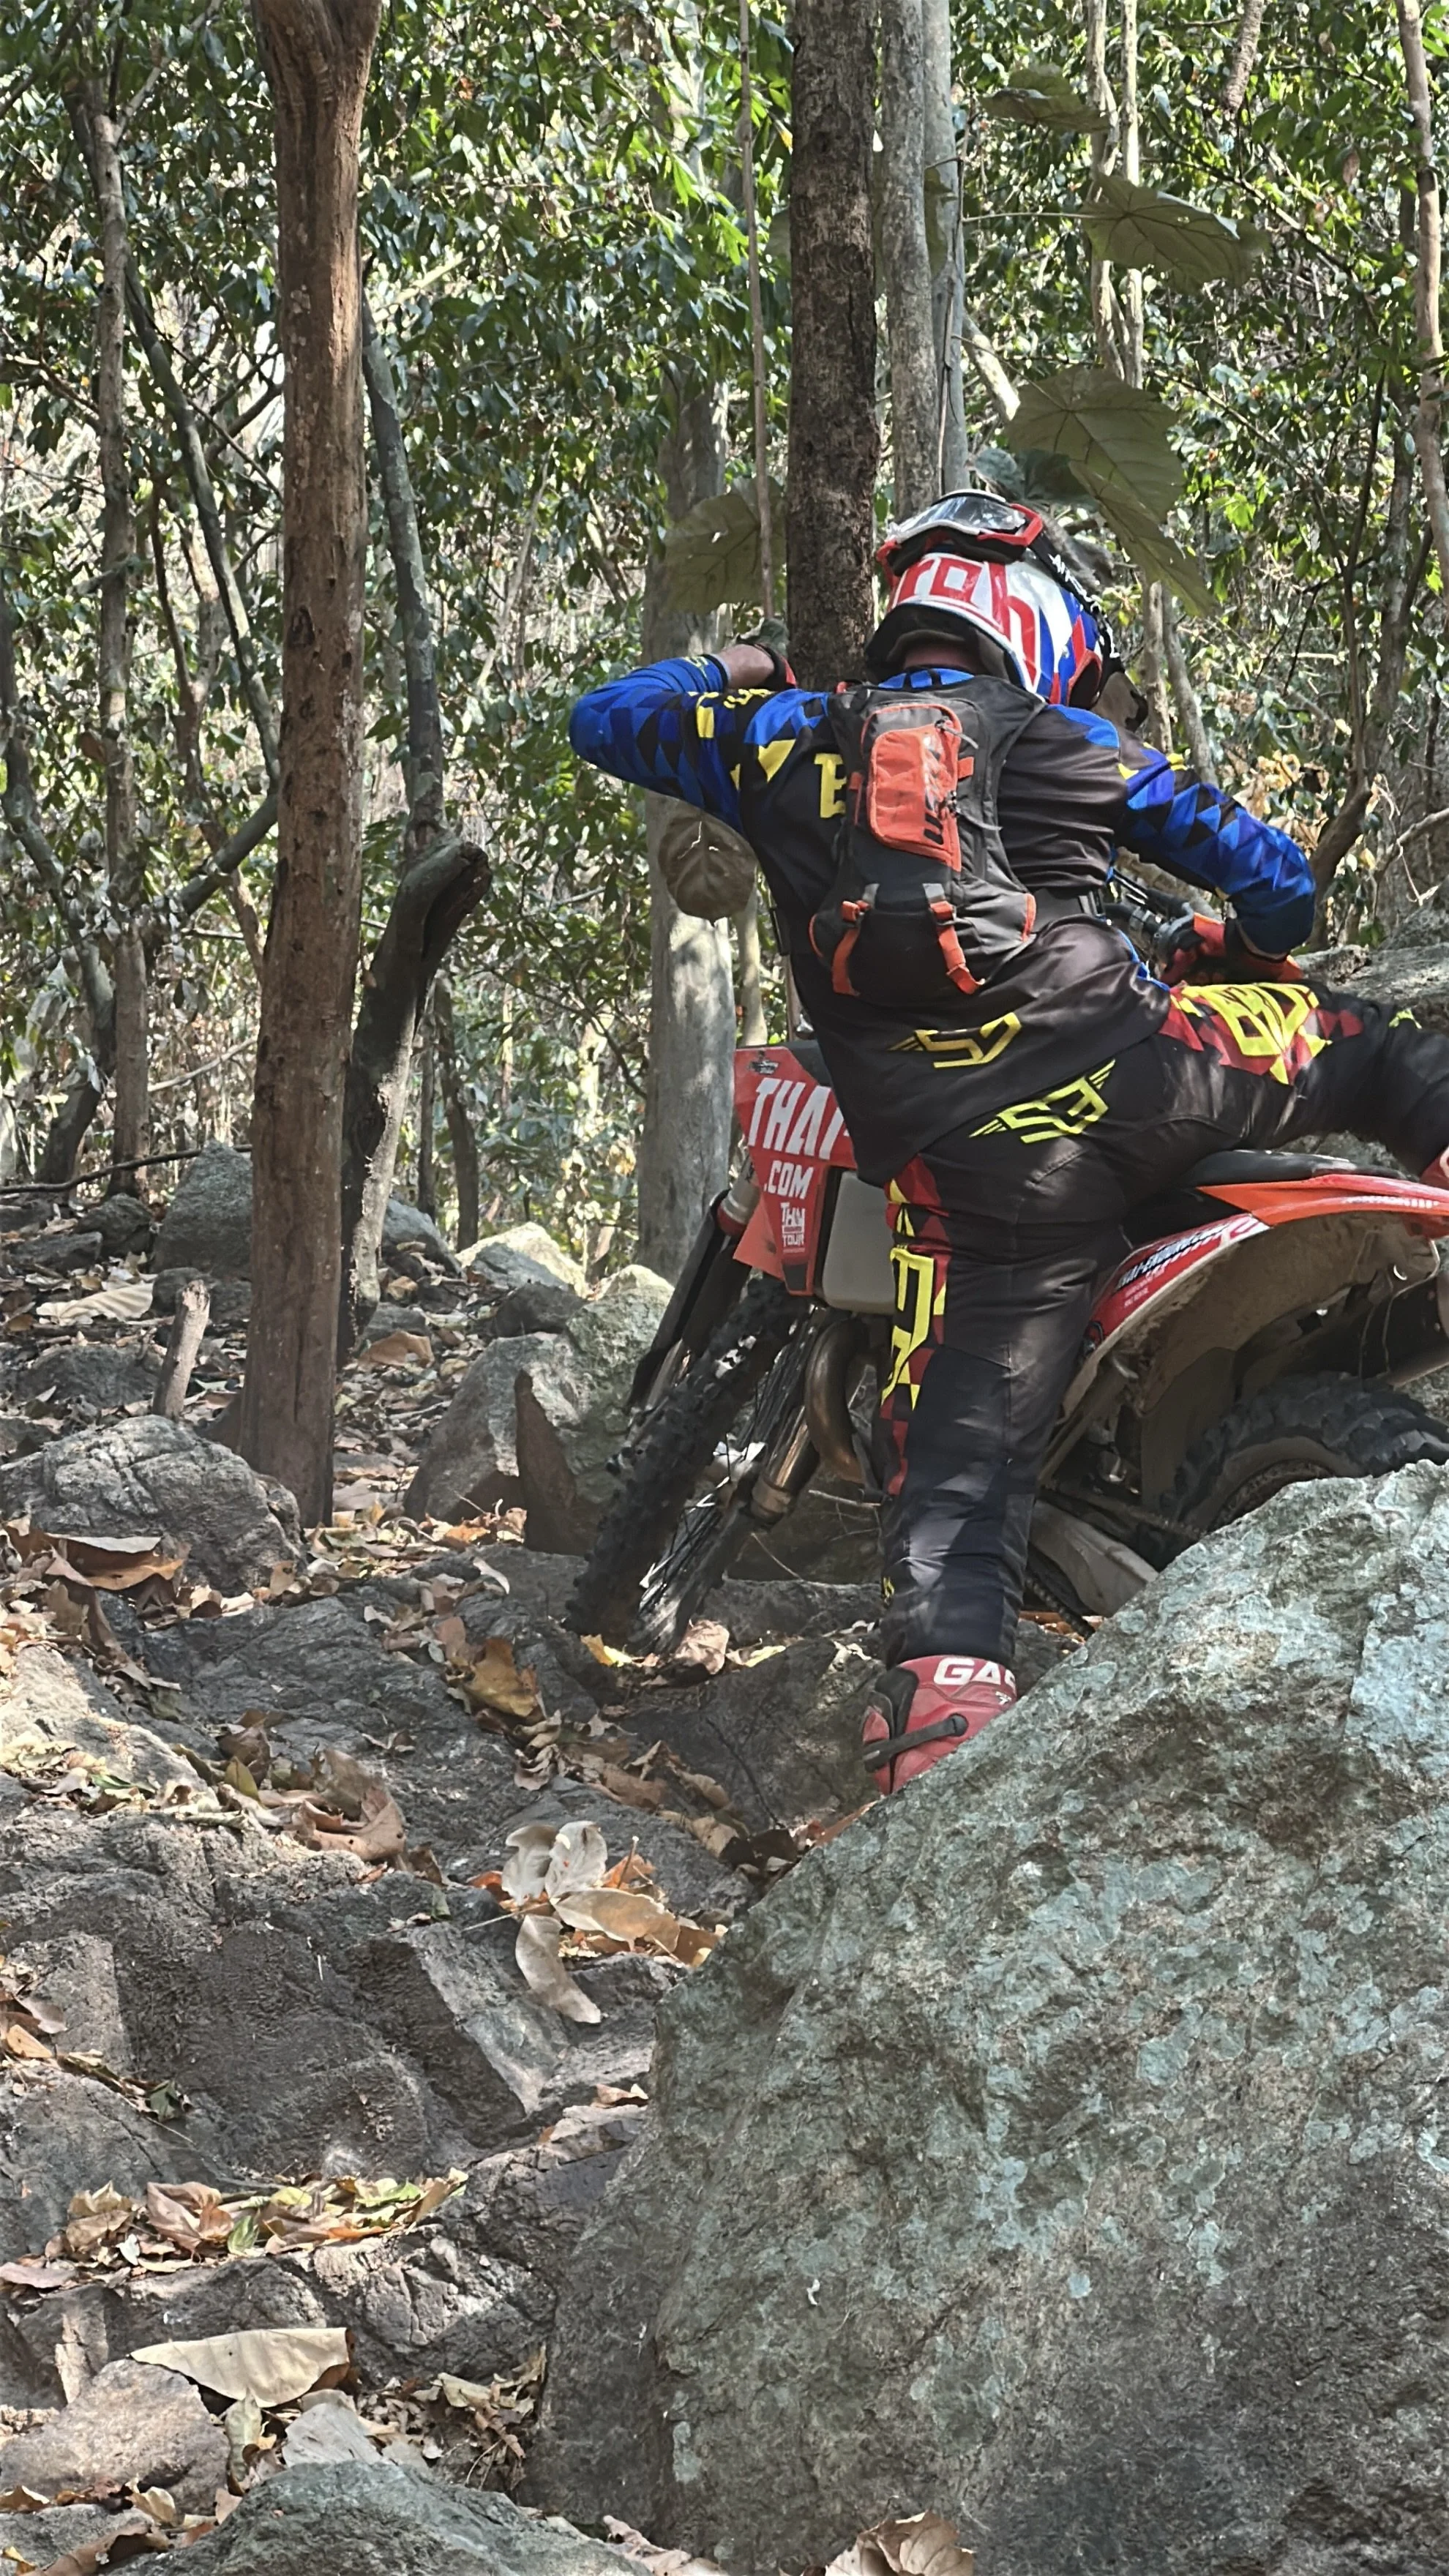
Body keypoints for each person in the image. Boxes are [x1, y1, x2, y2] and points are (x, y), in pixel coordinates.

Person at [569, 492, 1449, 1793]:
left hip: (967, 1172)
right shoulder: (1074, 740)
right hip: (1147, 1077)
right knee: (1378, 1048)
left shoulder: (778, 742)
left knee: (960, 1465)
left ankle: (941, 1737)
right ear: (1031, 619)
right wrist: (1230, 949)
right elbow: (1281, 886)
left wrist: (744, 665)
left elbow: (605, 720)